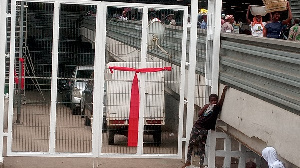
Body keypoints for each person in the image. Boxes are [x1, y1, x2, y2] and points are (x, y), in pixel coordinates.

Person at [182, 86, 229, 168]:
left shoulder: (216, 108)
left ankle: (201, 164)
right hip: (197, 126)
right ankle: (188, 161)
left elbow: (221, 101)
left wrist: (224, 91)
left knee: (202, 147)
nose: (214, 102)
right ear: (210, 101)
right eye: (212, 100)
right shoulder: (207, 106)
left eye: (215, 100)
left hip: (204, 129)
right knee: (191, 143)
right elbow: (199, 114)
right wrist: (205, 108)